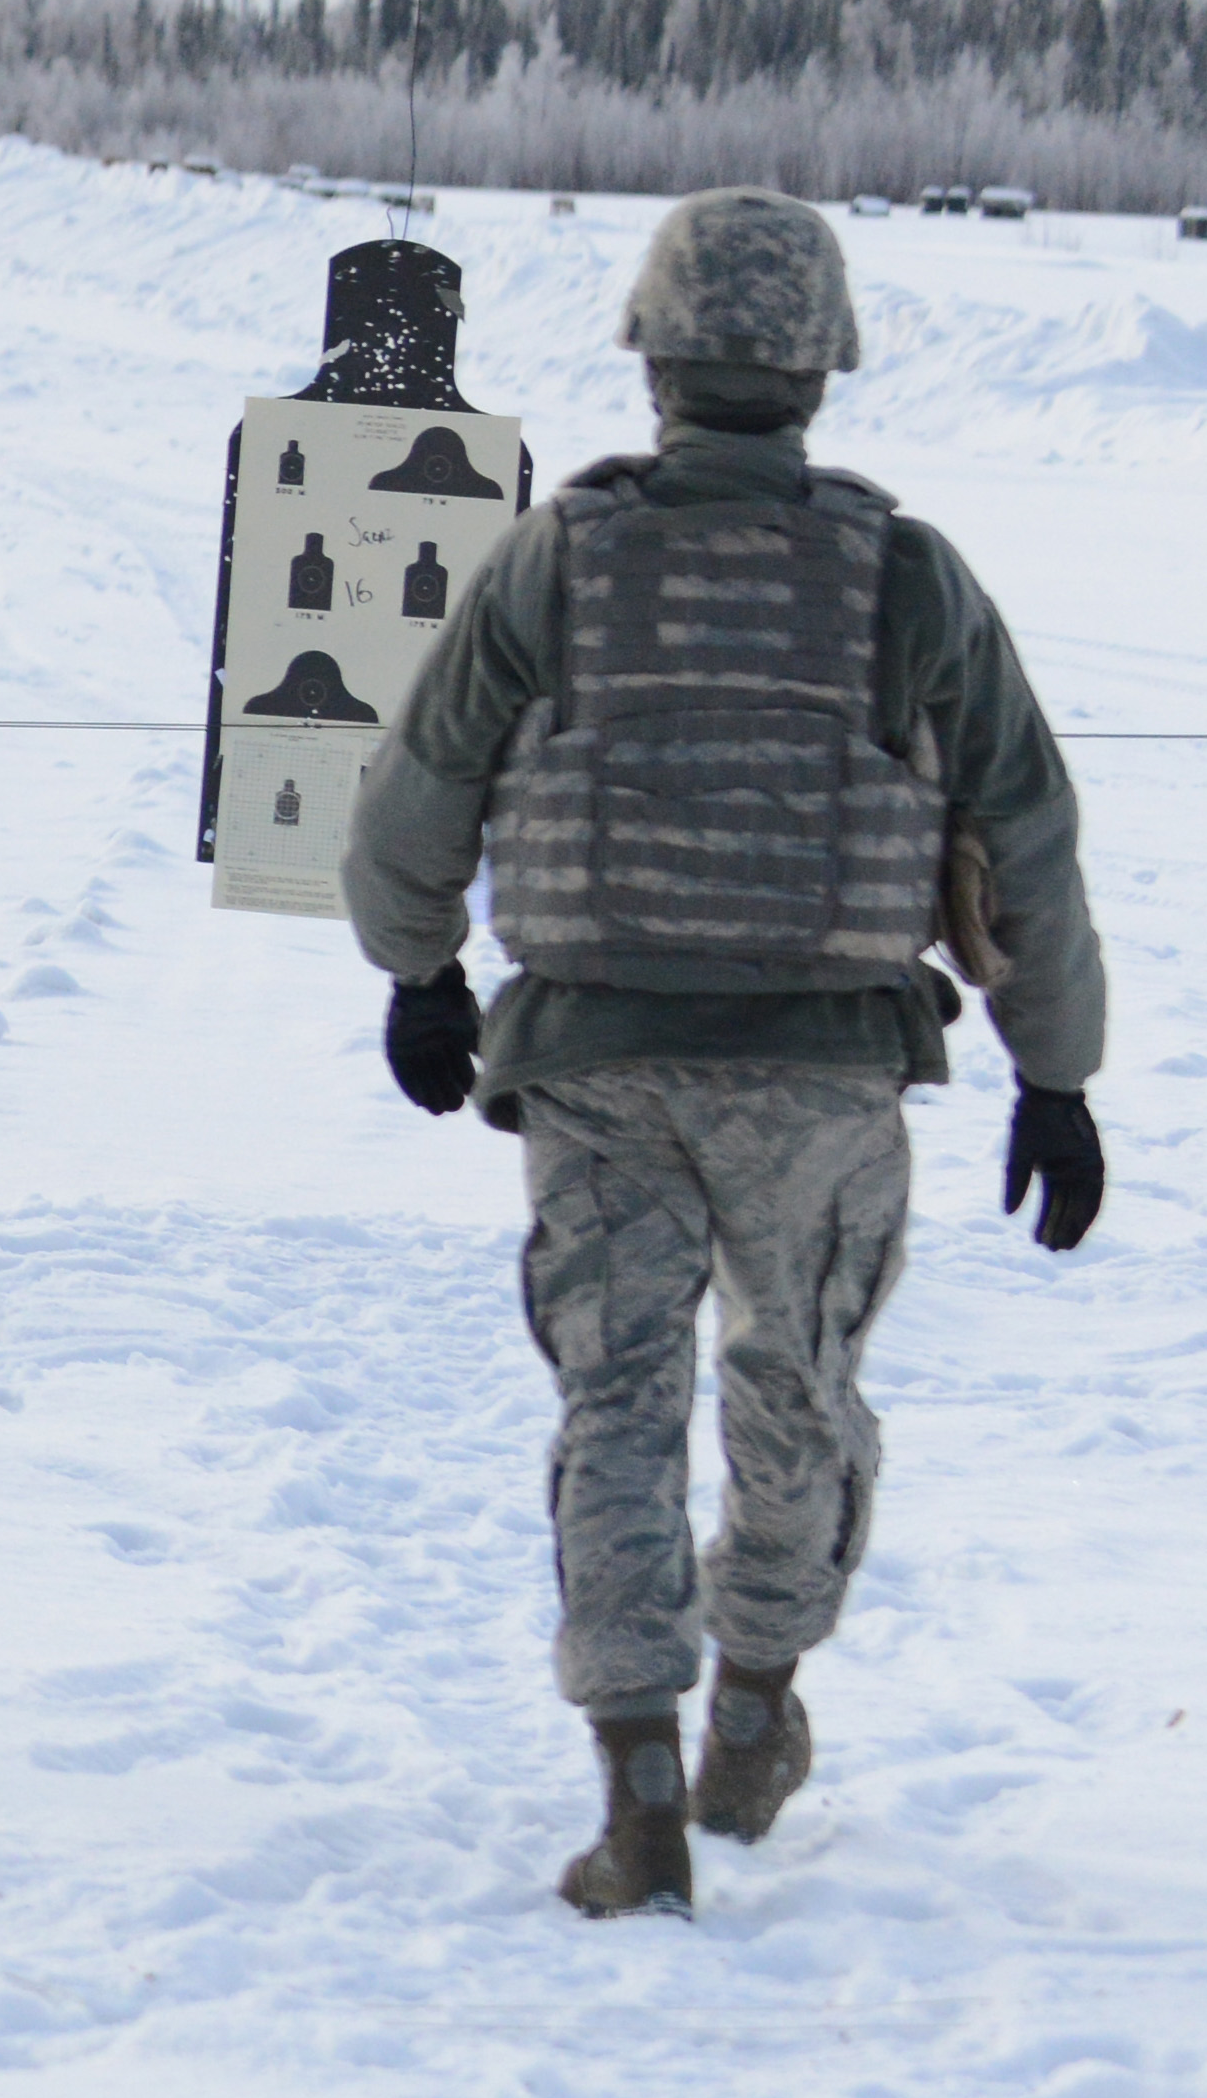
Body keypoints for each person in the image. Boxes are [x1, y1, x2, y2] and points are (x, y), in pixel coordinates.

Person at [346, 185, 1108, 1918]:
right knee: (800, 1393)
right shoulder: (907, 577)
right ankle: (755, 1712)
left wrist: (421, 974)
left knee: (615, 1407)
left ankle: (635, 1793)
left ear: (651, 354)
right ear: (823, 365)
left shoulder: (558, 556)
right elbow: (1029, 832)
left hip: (597, 1068)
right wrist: (1055, 1075)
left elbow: (416, 790)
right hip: (827, 1078)